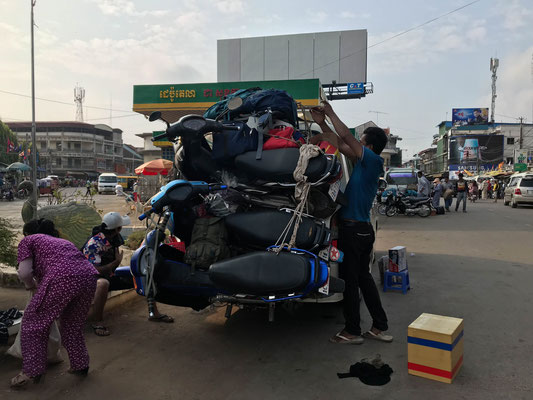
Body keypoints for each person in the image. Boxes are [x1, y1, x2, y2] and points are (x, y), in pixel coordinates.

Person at [310, 101, 392, 345]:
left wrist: (331, 112)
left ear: (368, 146)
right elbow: (339, 142)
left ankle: (352, 331)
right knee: (364, 280)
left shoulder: (373, 161)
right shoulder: (362, 164)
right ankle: (379, 326)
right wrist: (321, 124)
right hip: (361, 230)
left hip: (354, 231)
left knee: (351, 281)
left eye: (362, 142)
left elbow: (345, 136)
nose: (357, 144)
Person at [11, 219, 98, 388]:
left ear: (28, 233)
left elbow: (24, 272)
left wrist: (31, 286)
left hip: (62, 278)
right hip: (88, 277)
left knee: (33, 323)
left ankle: (31, 372)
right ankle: (80, 365)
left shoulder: (28, 240)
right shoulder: (62, 242)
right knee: (72, 325)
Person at [82, 212, 173, 336]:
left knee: (144, 274)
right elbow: (93, 270)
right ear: (117, 229)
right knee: (103, 284)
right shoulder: (94, 244)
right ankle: (97, 322)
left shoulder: (113, 238)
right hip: (90, 278)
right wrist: (116, 262)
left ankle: (154, 313)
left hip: (109, 274)